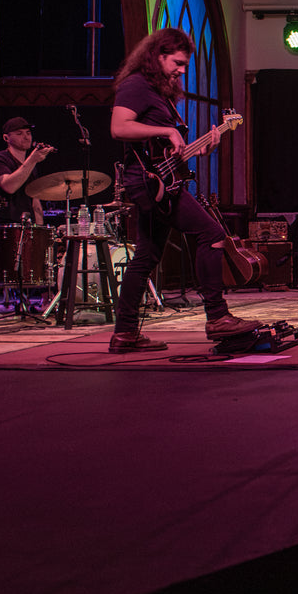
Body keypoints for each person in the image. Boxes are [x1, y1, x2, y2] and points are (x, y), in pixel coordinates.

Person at [109, 28, 261, 352]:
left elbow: (164, 148)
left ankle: (124, 334)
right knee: (213, 234)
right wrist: (167, 129)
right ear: (157, 55)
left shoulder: (157, 92)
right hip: (149, 183)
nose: (181, 70)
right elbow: (119, 127)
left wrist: (201, 147)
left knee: (146, 256)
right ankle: (217, 317)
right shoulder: (136, 85)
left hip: (162, 181)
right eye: (177, 63)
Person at [0, 116, 50, 226]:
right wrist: (32, 160)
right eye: (19, 134)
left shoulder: (31, 165)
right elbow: (9, 187)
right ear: (6, 138)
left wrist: (40, 230)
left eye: (28, 133)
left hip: (26, 227)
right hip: (2, 227)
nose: (26, 137)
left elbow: (35, 201)